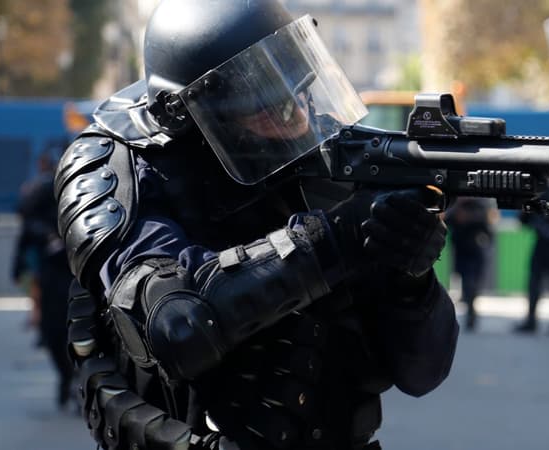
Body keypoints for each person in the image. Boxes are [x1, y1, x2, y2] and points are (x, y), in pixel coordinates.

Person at [56, 1, 459, 449]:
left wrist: (411, 277)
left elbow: (423, 372)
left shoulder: (327, 158)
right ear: (198, 117)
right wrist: (331, 240)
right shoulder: (119, 166)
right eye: (268, 108)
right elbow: (178, 327)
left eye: (298, 96)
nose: (299, 120)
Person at [12, 153, 76, 410]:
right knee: (52, 332)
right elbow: (27, 226)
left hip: (82, 273)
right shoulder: (42, 192)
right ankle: (66, 376)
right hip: (53, 273)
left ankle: (79, 380)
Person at [513, 185, 549, 334]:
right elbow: (523, 220)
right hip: (543, 244)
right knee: (534, 282)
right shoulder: (534, 196)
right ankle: (531, 320)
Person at [444, 198, 495, 331]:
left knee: (472, 284)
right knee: (467, 283)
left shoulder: (480, 206)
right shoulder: (456, 206)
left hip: (475, 252)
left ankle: (471, 314)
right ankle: (470, 312)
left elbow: (488, 229)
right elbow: (446, 221)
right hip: (461, 252)